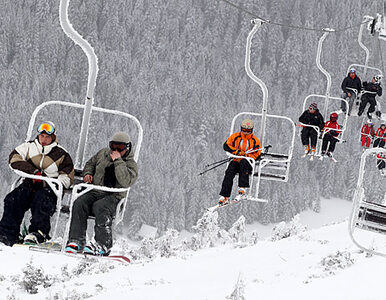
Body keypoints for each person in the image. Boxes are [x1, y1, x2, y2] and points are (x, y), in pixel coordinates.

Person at [0, 122, 74, 246]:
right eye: (42, 136)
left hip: (48, 188)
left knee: (41, 201)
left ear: (53, 138)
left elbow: (67, 176)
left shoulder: (61, 154)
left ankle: (38, 233)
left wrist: (51, 182)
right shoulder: (29, 147)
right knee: (13, 199)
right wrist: (33, 172)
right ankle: (7, 232)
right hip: (30, 184)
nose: (44, 140)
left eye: (47, 137)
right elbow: (14, 159)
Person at [65, 132, 138, 256]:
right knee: (79, 202)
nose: (115, 150)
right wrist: (87, 174)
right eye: (113, 146)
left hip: (114, 196)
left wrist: (118, 161)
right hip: (96, 190)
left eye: (119, 148)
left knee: (101, 206)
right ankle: (76, 240)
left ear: (127, 148)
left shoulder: (131, 165)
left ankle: (103, 244)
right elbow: (90, 164)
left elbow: (126, 181)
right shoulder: (102, 154)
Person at [218, 119, 261, 206]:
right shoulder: (235, 137)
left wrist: (247, 156)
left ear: (251, 130)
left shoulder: (254, 140)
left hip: (247, 163)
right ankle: (224, 195)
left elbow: (257, 154)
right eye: (244, 130)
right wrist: (236, 152)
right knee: (229, 171)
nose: (246, 133)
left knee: (244, 163)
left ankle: (243, 188)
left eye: (248, 131)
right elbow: (226, 146)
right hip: (236, 160)